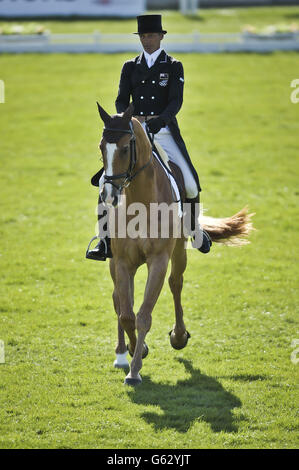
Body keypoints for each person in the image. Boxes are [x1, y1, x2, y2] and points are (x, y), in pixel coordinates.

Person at [86, 14, 211, 261]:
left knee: (190, 182)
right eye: (143, 36)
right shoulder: (129, 66)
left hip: (163, 130)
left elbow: (176, 101)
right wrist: (127, 119)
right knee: (103, 183)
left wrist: (157, 123)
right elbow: (122, 98)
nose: (147, 40)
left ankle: (194, 230)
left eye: (151, 35)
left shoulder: (173, 66)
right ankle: (103, 241)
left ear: (161, 36)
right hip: (134, 130)